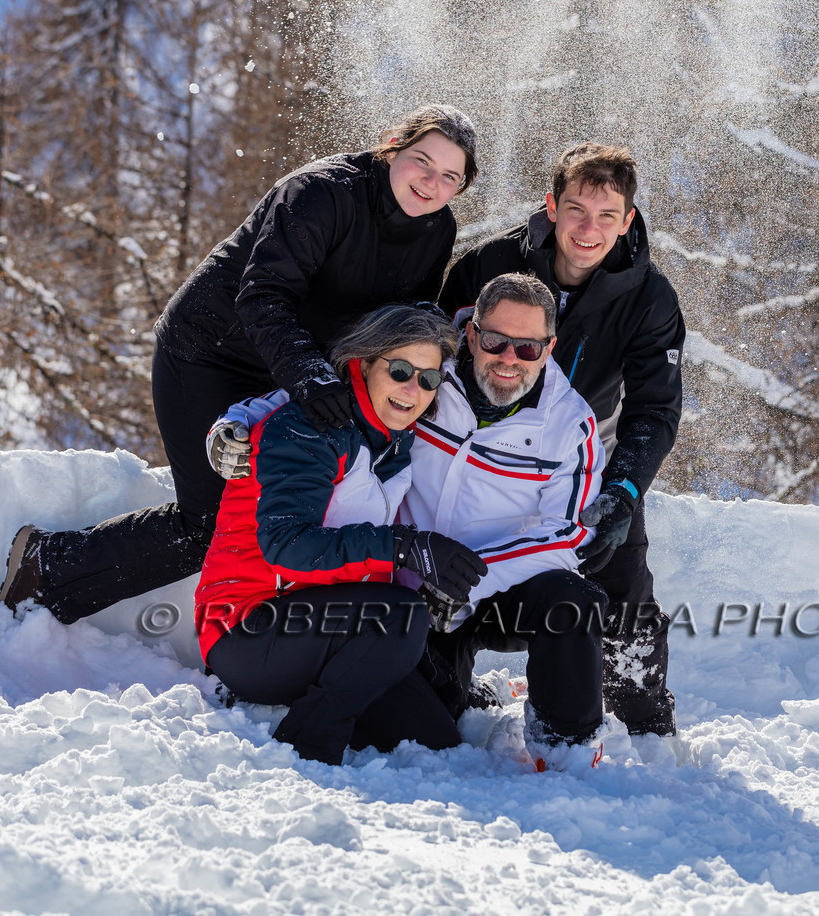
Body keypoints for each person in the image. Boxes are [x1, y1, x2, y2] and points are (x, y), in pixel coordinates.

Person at [0, 105, 479, 623]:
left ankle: (272, 640)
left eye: (449, 176)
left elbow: (402, 325)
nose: (431, 183)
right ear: (391, 148)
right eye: (421, 161)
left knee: (287, 511)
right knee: (208, 522)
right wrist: (310, 377)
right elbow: (265, 296)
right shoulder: (321, 193)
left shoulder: (436, 231)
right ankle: (48, 567)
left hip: (296, 368)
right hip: (210, 351)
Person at [212, 275, 610, 757]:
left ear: (548, 349)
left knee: (446, 728)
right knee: (412, 665)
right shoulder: (408, 391)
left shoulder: (565, 424)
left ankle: (568, 749)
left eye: (526, 348)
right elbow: (316, 401)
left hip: (460, 590)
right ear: (472, 335)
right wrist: (239, 418)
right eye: (496, 341)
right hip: (337, 608)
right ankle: (308, 741)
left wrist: (462, 576)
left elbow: (567, 535)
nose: (509, 358)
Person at [438, 143, 685, 738]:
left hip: (585, 462)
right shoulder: (490, 264)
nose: (588, 229)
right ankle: (451, 689)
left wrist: (622, 491)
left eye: (606, 216)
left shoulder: (650, 298)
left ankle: (646, 723)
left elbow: (655, 410)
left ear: (628, 220)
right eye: (576, 209)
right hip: (480, 455)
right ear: (552, 206)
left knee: (620, 589)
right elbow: (435, 353)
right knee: (450, 579)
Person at [195, 304, 487, 765]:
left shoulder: (393, 442)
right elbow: (287, 547)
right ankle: (305, 744)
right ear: (364, 363)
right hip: (247, 630)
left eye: (429, 379)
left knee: (436, 739)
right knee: (399, 615)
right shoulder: (309, 428)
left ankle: (328, 705)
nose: (414, 390)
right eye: (400, 371)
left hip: (323, 631)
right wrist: (404, 548)